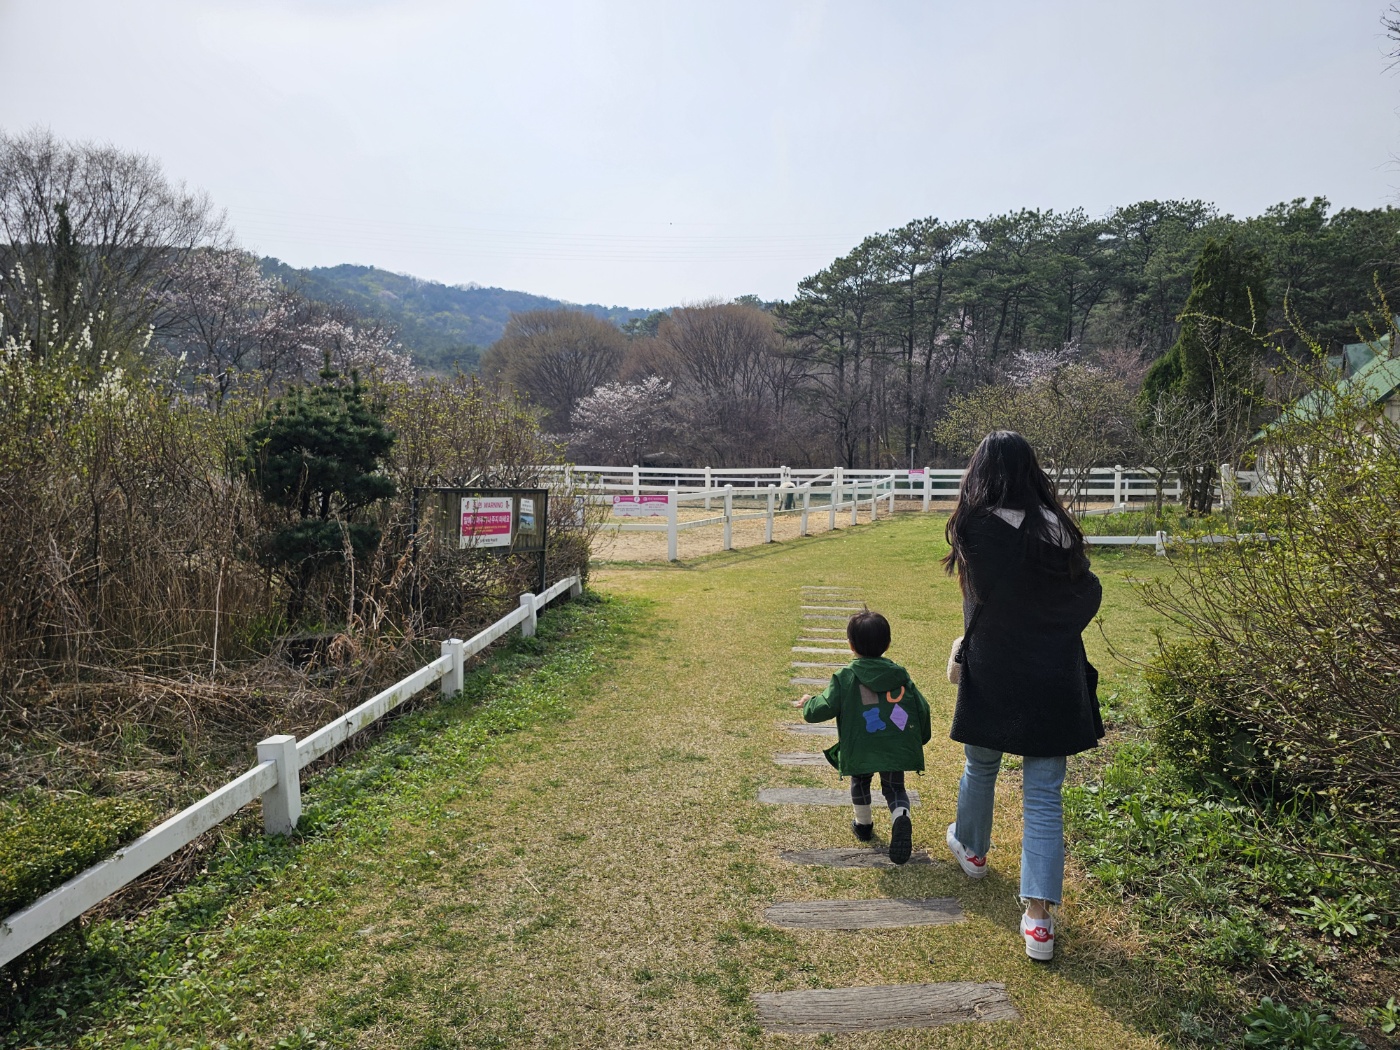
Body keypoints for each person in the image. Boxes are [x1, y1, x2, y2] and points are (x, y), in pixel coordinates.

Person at [941, 430, 1103, 961]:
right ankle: (1039, 923)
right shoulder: (1058, 529)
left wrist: (967, 646)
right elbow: (1088, 592)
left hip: (995, 669)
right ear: (1033, 471)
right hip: (1053, 673)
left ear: (981, 473)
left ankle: (972, 849)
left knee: (980, 764)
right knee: (1042, 793)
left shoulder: (974, 528)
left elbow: (978, 604)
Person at [793, 611, 932, 864]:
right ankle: (900, 814)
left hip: (861, 746)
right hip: (894, 745)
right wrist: (918, 739)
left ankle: (863, 824)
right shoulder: (900, 676)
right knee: (894, 788)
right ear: (888, 644)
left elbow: (821, 708)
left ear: (851, 645)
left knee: (860, 782)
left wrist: (807, 704)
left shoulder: (845, 677)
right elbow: (922, 708)